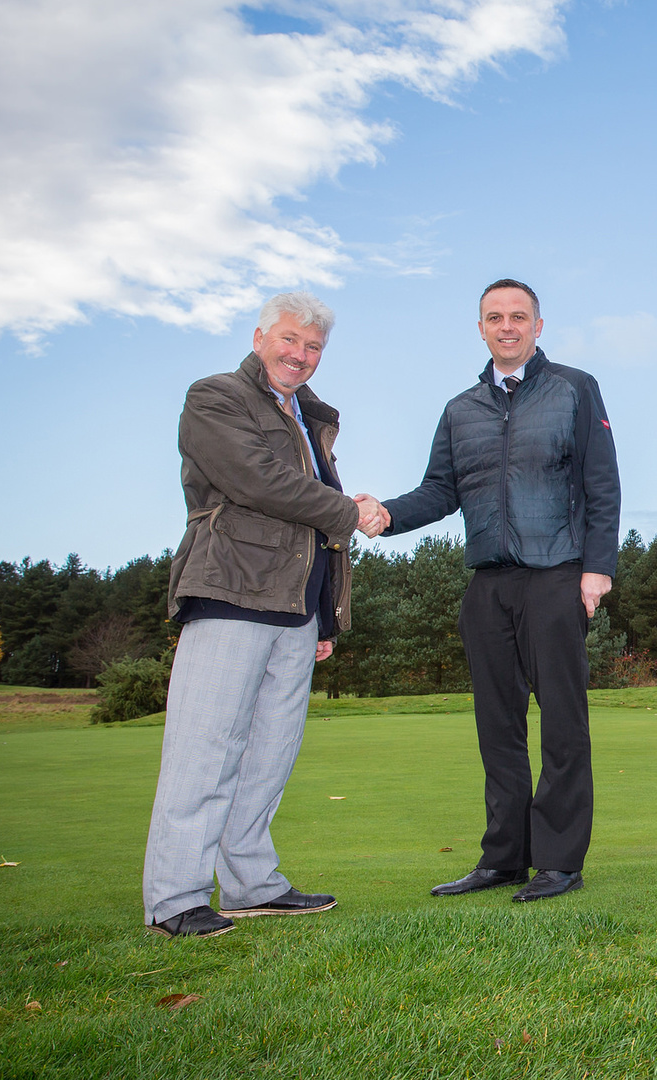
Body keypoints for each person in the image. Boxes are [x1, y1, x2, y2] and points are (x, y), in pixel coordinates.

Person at [365, 278, 620, 902]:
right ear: (480, 328)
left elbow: (601, 482)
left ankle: (559, 862)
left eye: (518, 316)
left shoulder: (575, 389)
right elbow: (439, 490)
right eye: (493, 317)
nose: (506, 326)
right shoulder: (461, 410)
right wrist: (386, 514)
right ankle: (504, 857)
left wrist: (598, 567)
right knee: (496, 727)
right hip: (488, 585)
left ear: (537, 325)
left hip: (556, 574)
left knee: (562, 722)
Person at [143, 291, 388, 939]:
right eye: (289, 340)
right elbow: (257, 480)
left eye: (313, 347)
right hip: (232, 590)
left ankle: (252, 884)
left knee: (269, 755)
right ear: (259, 338)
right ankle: (175, 898)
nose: (300, 355)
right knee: (206, 748)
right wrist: (350, 512)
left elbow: (316, 518)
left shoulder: (312, 418)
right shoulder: (215, 397)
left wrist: (325, 618)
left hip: (296, 610)